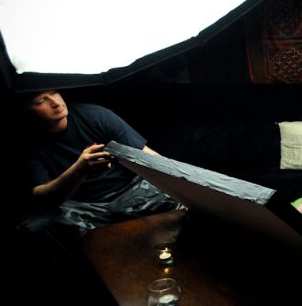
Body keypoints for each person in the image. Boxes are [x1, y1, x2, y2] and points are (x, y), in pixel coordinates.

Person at [17, 89, 182, 235]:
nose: (55, 102)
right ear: (25, 112)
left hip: (131, 190)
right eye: (41, 101)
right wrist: (79, 170)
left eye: (53, 92)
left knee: (179, 196)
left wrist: (186, 181)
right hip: (84, 205)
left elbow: (148, 157)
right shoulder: (27, 143)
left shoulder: (94, 115)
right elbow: (42, 197)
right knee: (36, 226)